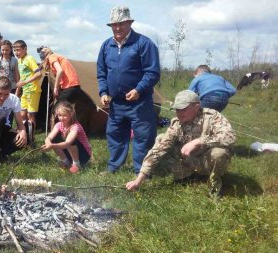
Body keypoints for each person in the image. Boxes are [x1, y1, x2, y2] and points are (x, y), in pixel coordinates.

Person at [126, 90, 236, 197]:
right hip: (188, 161)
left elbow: (229, 137)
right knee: (161, 139)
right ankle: (184, 176)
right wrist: (138, 180)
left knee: (219, 153)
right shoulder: (177, 123)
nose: (179, 113)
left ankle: (215, 186)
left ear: (196, 106)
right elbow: (159, 149)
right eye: (177, 109)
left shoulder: (212, 116)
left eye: (183, 109)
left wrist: (199, 141)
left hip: (206, 159)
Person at [97, 5, 160, 174]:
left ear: (129, 23)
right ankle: (114, 167)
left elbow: (152, 72)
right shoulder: (106, 46)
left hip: (139, 102)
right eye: (114, 25)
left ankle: (141, 171)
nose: (117, 28)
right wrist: (103, 92)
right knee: (114, 135)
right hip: (116, 102)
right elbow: (101, 72)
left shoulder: (143, 43)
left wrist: (139, 89)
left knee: (143, 136)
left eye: (121, 24)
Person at [41, 101, 92, 174]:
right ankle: (66, 161)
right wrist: (48, 142)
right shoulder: (59, 124)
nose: (61, 118)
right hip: (71, 151)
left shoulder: (75, 126)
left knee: (71, 140)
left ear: (71, 114)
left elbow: (68, 143)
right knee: (54, 139)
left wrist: (51, 146)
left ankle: (76, 164)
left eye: (64, 115)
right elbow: (49, 137)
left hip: (84, 155)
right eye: (59, 115)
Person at [13, 40, 42, 147]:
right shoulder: (20, 61)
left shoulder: (29, 58)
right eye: (15, 50)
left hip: (33, 90)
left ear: (25, 49)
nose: (16, 52)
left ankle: (31, 139)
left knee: (31, 115)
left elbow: (38, 73)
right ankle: (23, 137)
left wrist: (26, 82)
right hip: (25, 91)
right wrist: (17, 91)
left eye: (18, 50)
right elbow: (22, 78)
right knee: (22, 115)